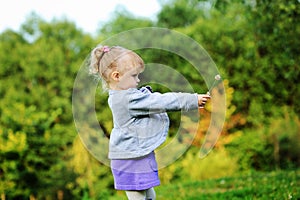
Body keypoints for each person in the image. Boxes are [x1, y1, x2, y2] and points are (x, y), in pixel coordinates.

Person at [89, 45, 210, 200]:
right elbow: (161, 101)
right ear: (117, 76)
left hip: (136, 154)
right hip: (130, 158)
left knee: (148, 194)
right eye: (134, 76)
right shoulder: (126, 99)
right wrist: (192, 99)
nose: (138, 80)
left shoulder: (122, 96)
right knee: (139, 196)